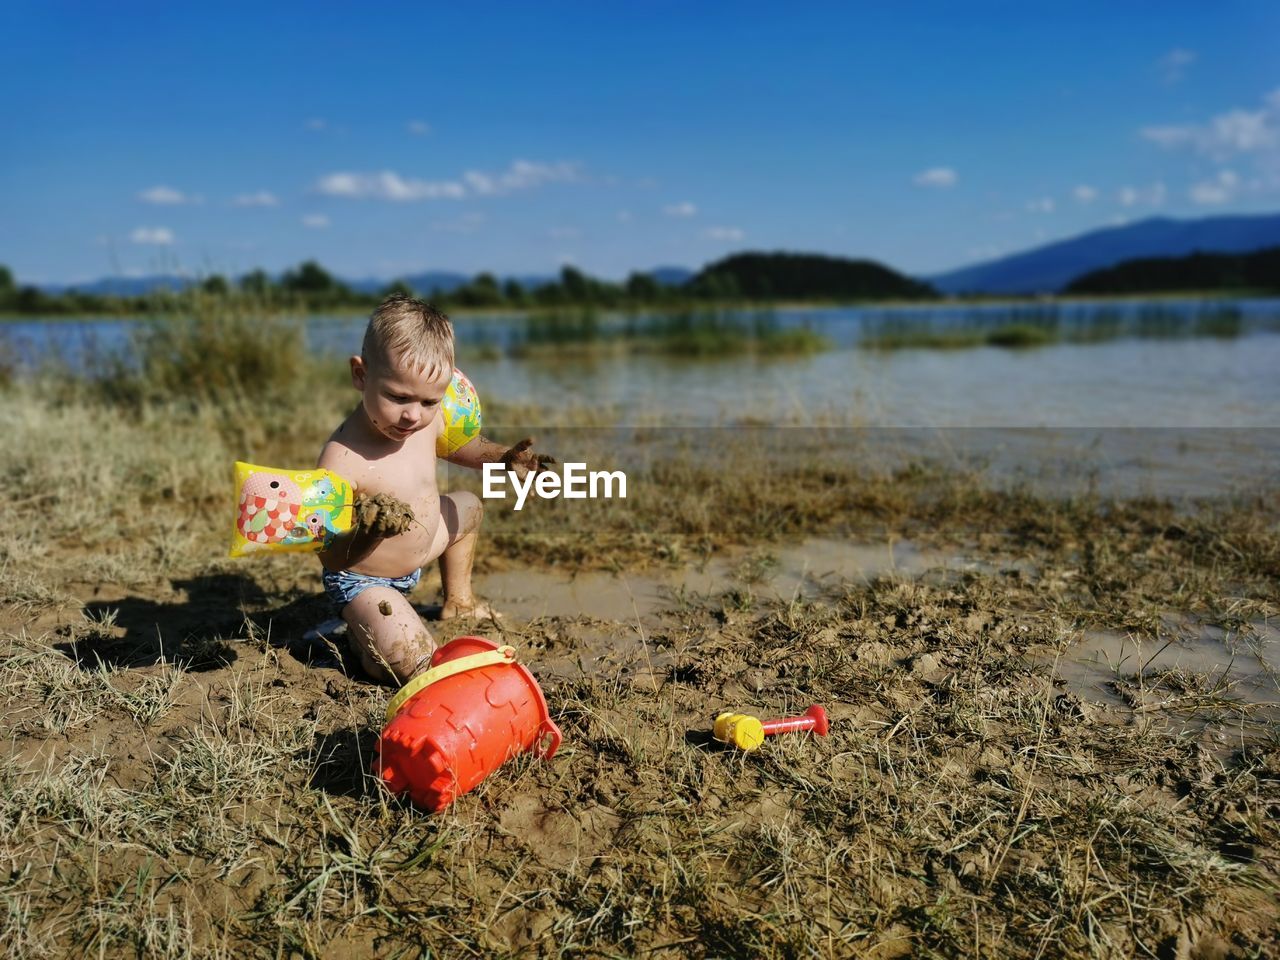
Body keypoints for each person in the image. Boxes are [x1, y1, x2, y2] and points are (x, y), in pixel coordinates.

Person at [316, 295, 548, 684]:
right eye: (398, 397)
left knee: (468, 506)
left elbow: (462, 448)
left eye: (428, 401)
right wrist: (369, 532)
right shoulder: (342, 459)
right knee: (411, 659)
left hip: (422, 546)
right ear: (361, 375)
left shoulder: (427, 420)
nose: (413, 415)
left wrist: (503, 457)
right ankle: (362, 639)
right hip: (365, 577)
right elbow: (332, 556)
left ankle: (458, 602)